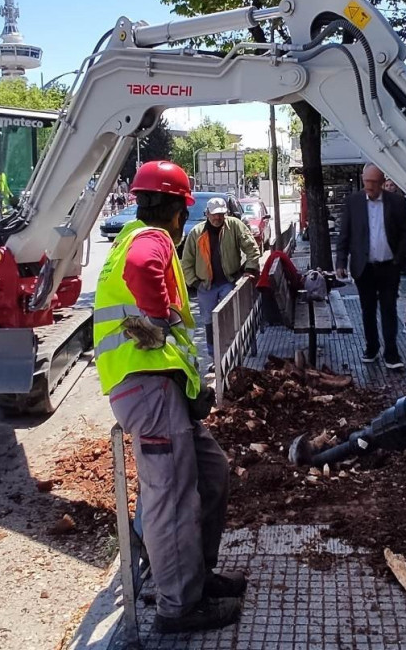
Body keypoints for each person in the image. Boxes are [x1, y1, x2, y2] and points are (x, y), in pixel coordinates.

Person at [93, 161, 245, 634]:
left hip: (159, 387)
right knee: (171, 498)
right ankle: (178, 606)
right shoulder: (151, 238)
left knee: (211, 473)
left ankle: (195, 577)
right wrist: (159, 316)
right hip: (148, 389)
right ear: (177, 209)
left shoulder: (131, 236)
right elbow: (145, 272)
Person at [333, 164, 406, 370]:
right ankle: (371, 347)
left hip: (389, 266)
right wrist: (340, 262)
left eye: (373, 183)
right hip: (364, 267)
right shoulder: (353, 202)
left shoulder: (396, 202)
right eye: (366, 182)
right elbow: (345, 234)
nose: (369, 186)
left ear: (382, 182)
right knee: (367, 309)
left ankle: (391, 353)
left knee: (389, 309)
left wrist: (399, 257)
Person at [180, 197, 261, 349]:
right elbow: (186, 262)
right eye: (214, 214)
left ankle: (233, 350)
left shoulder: (235, 225)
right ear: (207, 214)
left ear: (226, 213)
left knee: (230, 318)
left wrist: (249, 269)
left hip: (229, 281)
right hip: (205, 285)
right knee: (209, 321)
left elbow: (252, 248)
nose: (217, 217)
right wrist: (195, 283)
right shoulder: (196, 232)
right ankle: (214, 355)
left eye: (221, 214)